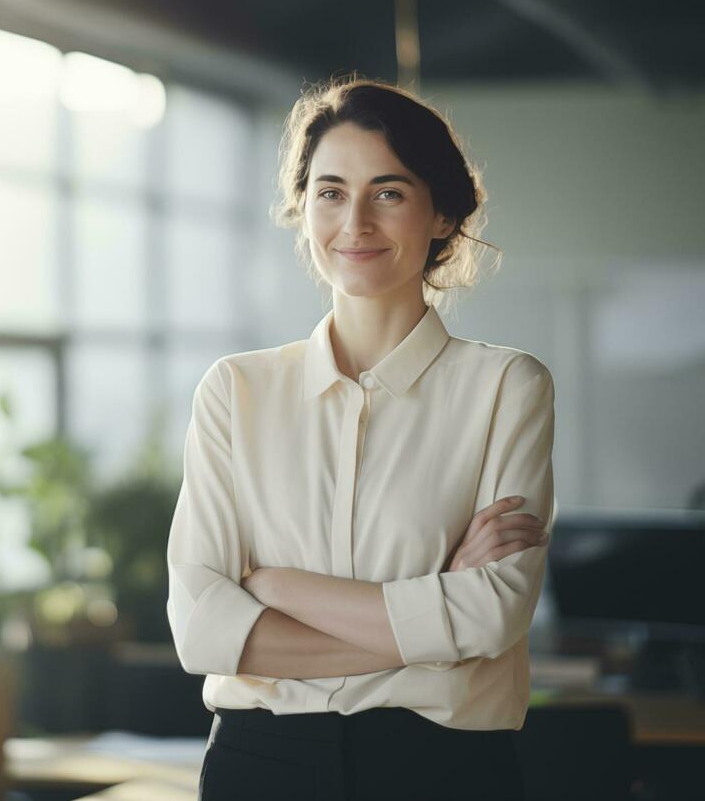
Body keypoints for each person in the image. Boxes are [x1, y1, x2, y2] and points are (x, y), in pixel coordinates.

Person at [166, 77, 557, 800]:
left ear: (441, 213)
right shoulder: (235, 389)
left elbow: (493, 613)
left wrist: (276, 587)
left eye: (388, 192)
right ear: (301, 207)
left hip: (442, 770)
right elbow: (201, 630)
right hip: (262, 767)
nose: (354, 223)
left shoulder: (506, 387)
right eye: (330, 192)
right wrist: (437, 640)